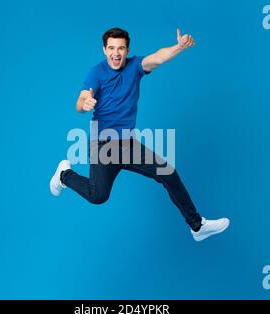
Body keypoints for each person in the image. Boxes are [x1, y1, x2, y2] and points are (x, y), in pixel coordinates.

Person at [50, 27, 229, 242]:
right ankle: (64, 175)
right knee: (98, 196)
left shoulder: (135, 66)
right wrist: (85, 103)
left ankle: (197, 226)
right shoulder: (96, 73)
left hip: (127, 145)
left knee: (168, 173)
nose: (116, 53)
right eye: (111, 48)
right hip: (102, 145)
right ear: (104, 50)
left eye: (121, 48)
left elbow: (158, 58)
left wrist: (179, 47)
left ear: (127, 50)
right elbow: (80, 100)